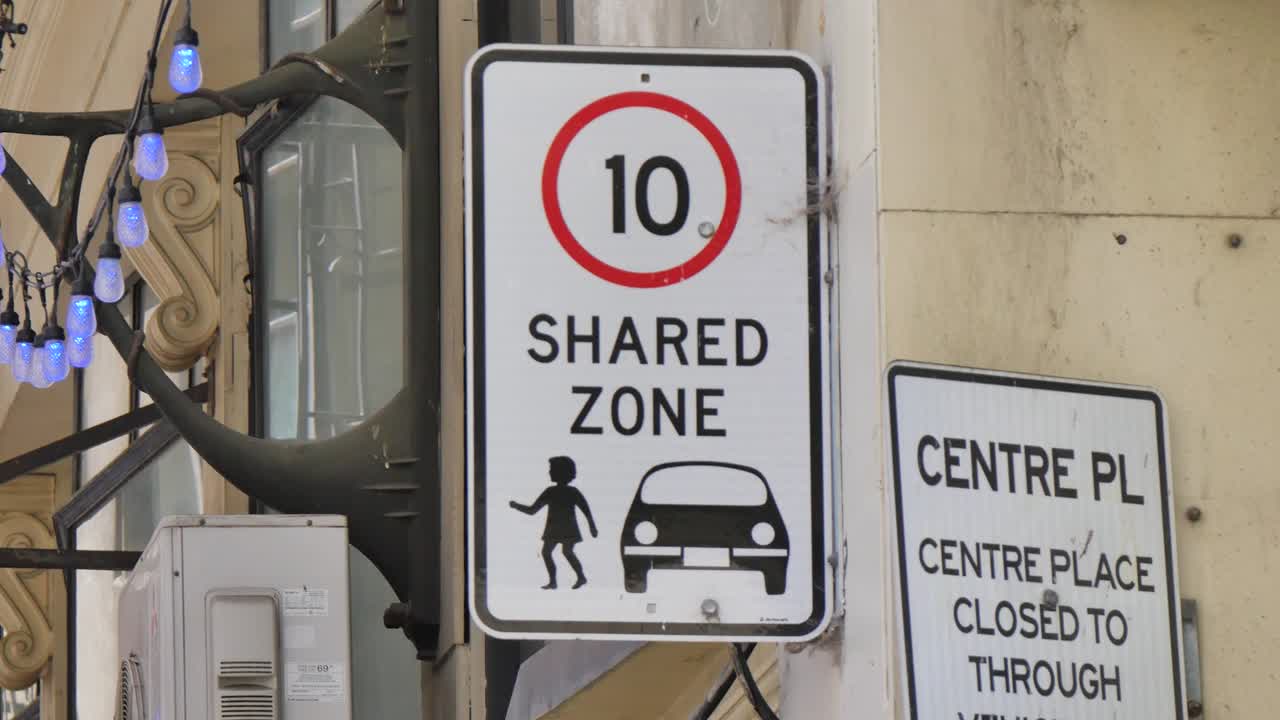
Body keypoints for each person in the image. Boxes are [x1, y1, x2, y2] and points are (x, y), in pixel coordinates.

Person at [510, 455, 598, 589]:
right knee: (550, 552)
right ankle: (556, 581)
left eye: (552, 469)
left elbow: (585, 509)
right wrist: (517, 506)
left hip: (565, 528)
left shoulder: (569, 492)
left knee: (564, 552)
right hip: (555, 528)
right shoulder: (551, 491)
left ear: (560, 472)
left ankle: (579, 577)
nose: (549, 472)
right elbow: (532, 510)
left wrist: (592, 526)